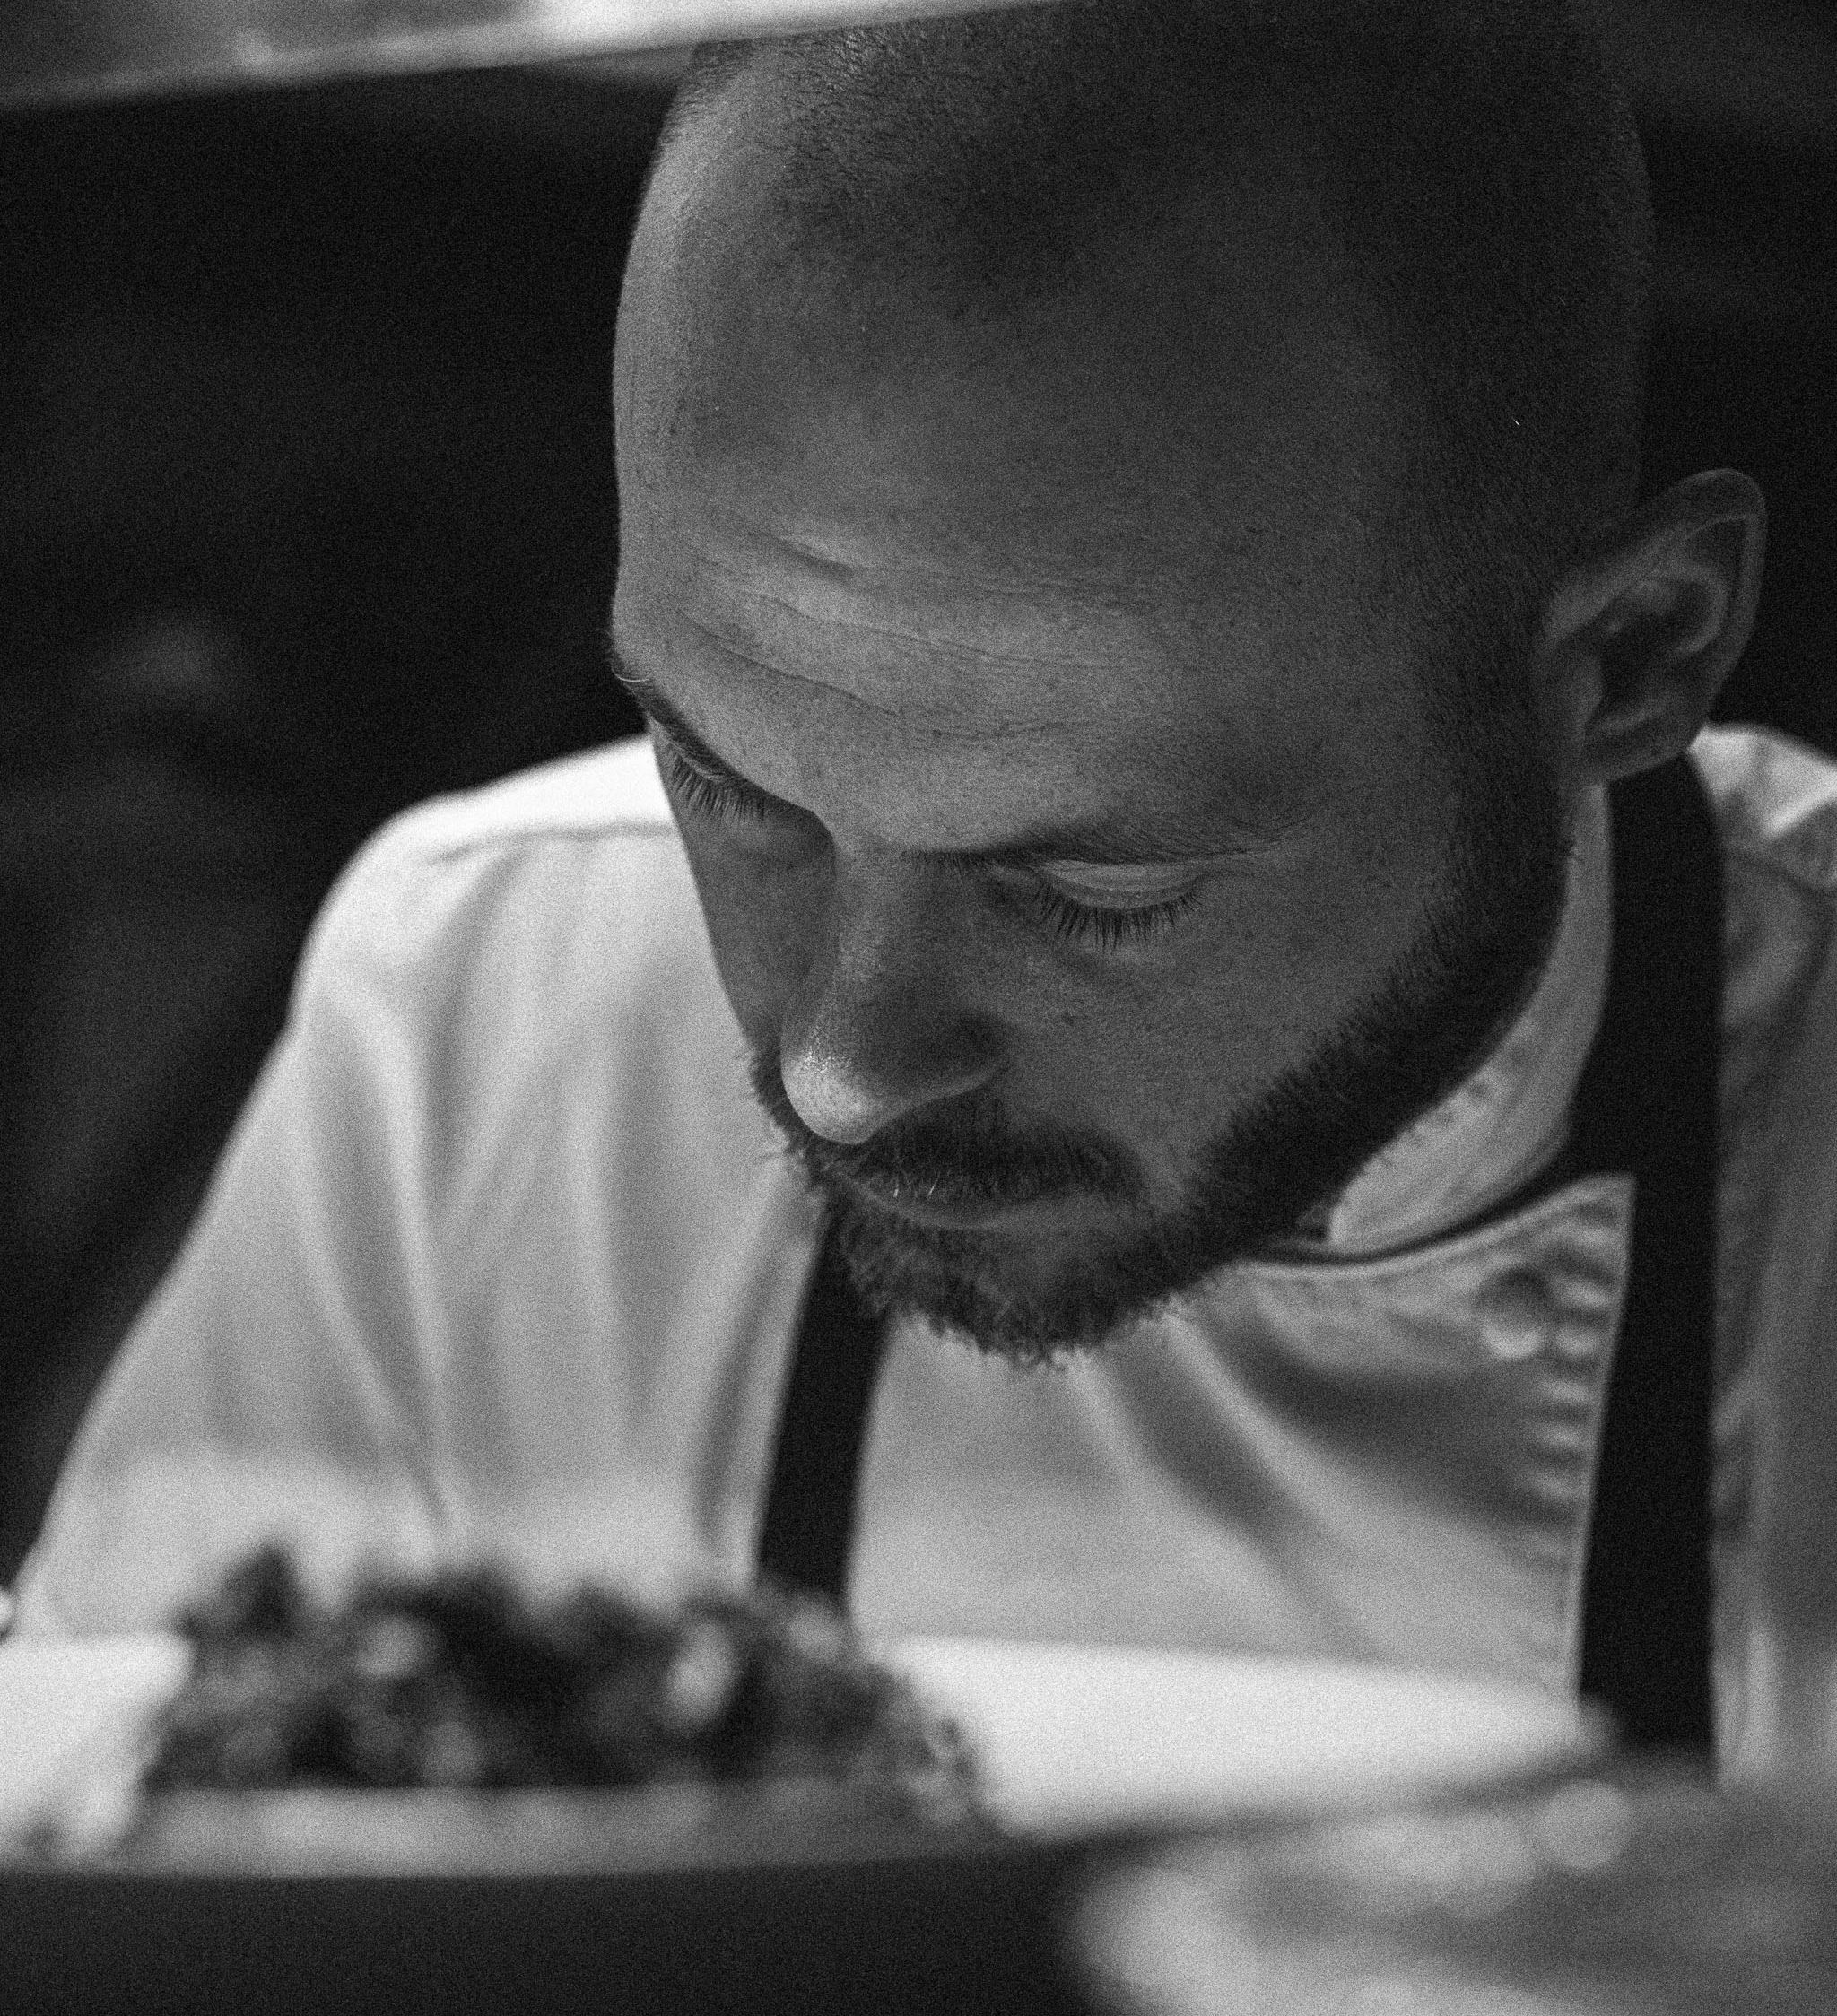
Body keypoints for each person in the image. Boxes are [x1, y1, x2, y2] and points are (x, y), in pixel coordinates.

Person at [13, 0, 1833, 1773]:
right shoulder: (484, 1014)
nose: (840, 1068)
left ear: (1624, 661)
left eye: (1088, 888)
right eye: (733, 787)